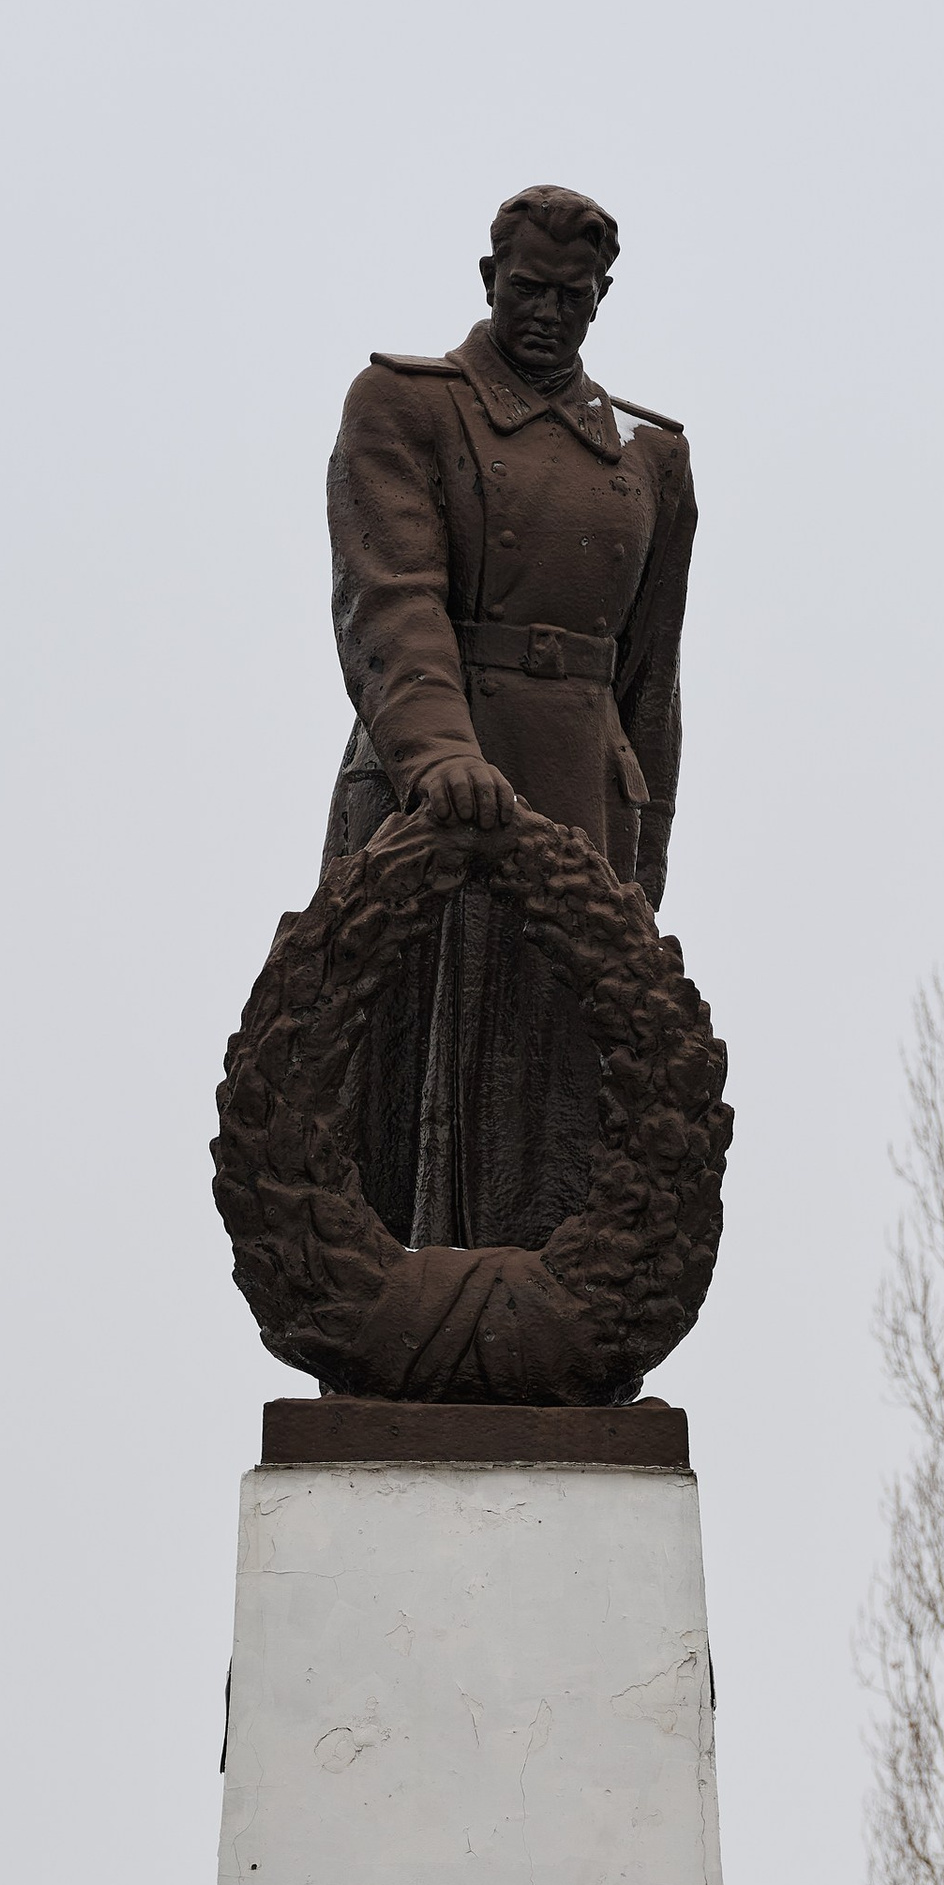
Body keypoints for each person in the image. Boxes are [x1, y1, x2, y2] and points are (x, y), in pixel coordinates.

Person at [323, 186, 696, 1257]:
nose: (547, 315)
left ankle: (555, 1315)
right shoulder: (406, 406)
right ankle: (400, 1308)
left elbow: (651, 681)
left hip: (583, 796)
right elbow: (390, 600)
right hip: (436, 784)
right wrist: (439, 754)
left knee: (560, 1068)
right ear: (488, 281)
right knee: (412, 1052)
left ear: (601, 301)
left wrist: (644, 861)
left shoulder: (649, 458)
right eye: (528, 290)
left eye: (573, 299)